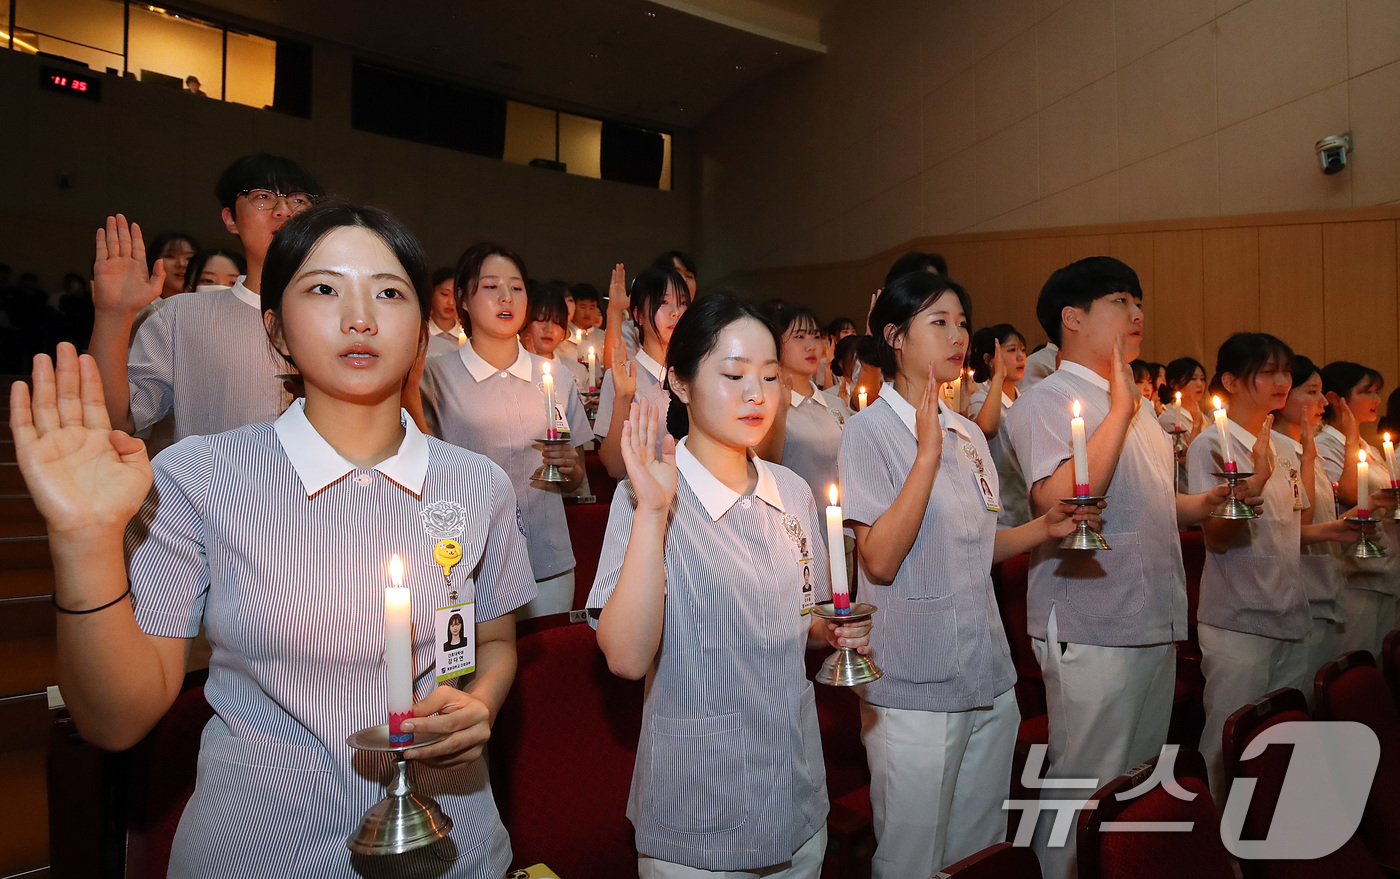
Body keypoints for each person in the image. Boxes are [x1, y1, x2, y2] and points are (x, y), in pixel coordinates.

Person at [11, 201, 534, 877]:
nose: (359, 316)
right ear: (277, 330)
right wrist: (83, 542)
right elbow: (116, 720)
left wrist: (481, 701)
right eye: (323, 288)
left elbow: (493, 640)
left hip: (448, 844)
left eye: (389, 291)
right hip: (260, 849)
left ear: (419, 335)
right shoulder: (200, 474)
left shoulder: (475, 483)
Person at [587, 292, 870, 877]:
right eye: (734, 374)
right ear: (682, 385)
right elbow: (626, 657)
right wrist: (652, 513)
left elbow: (802, 618)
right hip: (698, 798)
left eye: (770, 376)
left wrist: (830, 629)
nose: (756, 395)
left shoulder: (790, 491)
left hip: (793, 789)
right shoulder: (645, 495)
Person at [843, 270, 1098, 878]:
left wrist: (1044, 528)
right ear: (895, 337)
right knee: (912, 857)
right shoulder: (870, 431)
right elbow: (878, 559)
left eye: (962, 322)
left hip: (985, 669)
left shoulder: (968, 433)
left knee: (978, 849)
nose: (959, 335)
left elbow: (973, 545)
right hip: (914, 675)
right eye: (939, 322)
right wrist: (925, 454)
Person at [1004, 257, 1246, 879]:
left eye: (1139, 302)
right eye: (1120, 301)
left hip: (1151, 614)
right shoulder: (1046, 401)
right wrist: (1117, 411)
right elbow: (1060, 504)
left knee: (1134, 785)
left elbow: (1151, 503)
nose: (1138, 314)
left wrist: (1206, 503)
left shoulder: (1130, 402)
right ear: (1073, 317)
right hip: (1092, 619)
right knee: (1082, 784)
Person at [1187, 334, 1363, 800]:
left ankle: (1267, 841)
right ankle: (1216, 850)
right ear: (1231, 381)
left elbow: (1288, 530)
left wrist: (1331, 531)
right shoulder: (1212, 447)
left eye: (1285, 371)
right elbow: (1219, 536)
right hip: (1239, 616)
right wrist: (1252, 487)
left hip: (1288, 607)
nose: (1282, 381)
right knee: (1227, 743)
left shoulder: (1282, 447)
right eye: (1268, 372)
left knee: (1278, 742)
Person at [88, 154, 323, 441]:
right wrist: (113, 315)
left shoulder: (345, 315)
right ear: (230, 219)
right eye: (263, 196)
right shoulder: (181, 316)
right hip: (216, 486)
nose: (283, 210)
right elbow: (116, 420)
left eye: (299, 200)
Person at [420, 243, 593, 619]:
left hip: (547, 560)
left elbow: (576, 477)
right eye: (490, 286)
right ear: (463, 297)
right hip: (466, 563)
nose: (506, 297)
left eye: (516, 287)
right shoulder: (435, 377)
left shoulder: (556, 376)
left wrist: (570, 468)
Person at [1272, 355, 1349, 687]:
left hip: (1324, 588)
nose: (1322, 402)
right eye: (1312, 392)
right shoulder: (1276, 451)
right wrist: (1336, 530)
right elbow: (1295, 526)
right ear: (1284, 395)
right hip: (1298, 593)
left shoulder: (1306, 449)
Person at [1315, 361, 1398, 657]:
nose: (1377, 400)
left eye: (1378, 393)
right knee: (1357, 660)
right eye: (1367, 392)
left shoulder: (1370, 446)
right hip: (1355, 574)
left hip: (1384, 567)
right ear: (1337, 399)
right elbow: (1350, 495)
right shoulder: (1324, 444)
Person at [595, 265, 690, 478]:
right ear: (637, 314)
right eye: (663, 302)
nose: (675, 312)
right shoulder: (622, 377)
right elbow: (614, 468)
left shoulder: (696, 375)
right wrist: (623, 398)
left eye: (683, 303)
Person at [762, 304, 850, 508]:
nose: (811, 345)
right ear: (775, 345)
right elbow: (764, 466)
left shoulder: (835, 403)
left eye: (816, 336)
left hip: (844, 526)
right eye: (799, 337)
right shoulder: (768, 406)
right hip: (796, 519)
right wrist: (779, 414)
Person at [968, 324, 1029, 528]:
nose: (1021, 356)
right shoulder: (980, 398)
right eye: (1012, 350)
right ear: (989, 359)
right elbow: (986, 428)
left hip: (1028, 508)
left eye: (1023, 350)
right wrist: (998, 377)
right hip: (1002, 514)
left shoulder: (1027, 399)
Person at [520, 281, 590, 393]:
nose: (549, 329)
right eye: (540, 319)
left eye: (557, 322)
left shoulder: (575, 371)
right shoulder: (509, 369)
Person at [426, 266, 466, 356]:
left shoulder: (468, 336)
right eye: (445, 294)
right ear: (431, 293)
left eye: (456, 296)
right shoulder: (421, 333)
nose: (451, 302)